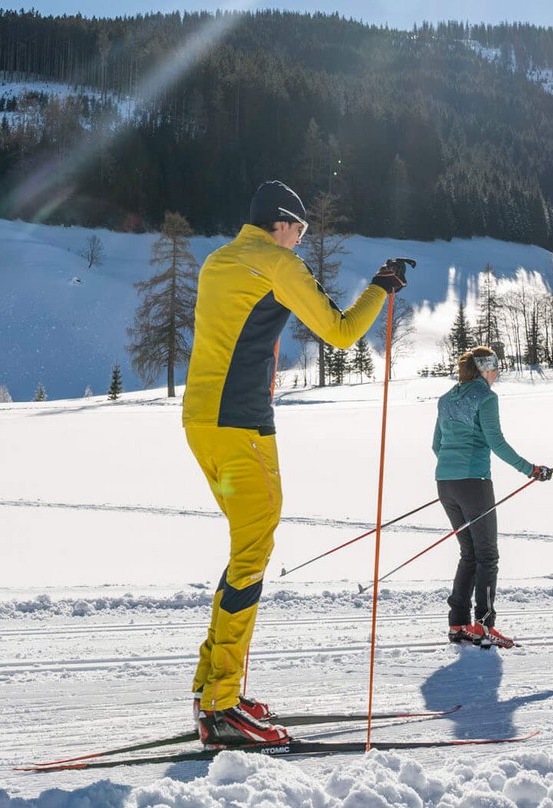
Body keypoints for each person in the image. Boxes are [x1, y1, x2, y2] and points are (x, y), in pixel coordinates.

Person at [180, 179, 413, 747]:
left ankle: (215, 688)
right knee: (254, 548)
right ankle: (221, 705)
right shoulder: (274, 264)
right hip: (241, 425)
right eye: (301, 231)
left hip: (204, 422)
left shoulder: (219, 260)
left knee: (246, 548)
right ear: (281, 223)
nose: (302, 242)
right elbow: (339, 331)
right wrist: (381, 288)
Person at [432, 344, 553, 648]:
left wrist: (453, 469)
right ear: (485, 369)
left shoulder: (446, 399)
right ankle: (484, 627)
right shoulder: (486, 398)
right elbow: (495, 441)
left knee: (469, 553)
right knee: (487, 555)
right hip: (474, 482)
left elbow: (437, 444)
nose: (497, 374)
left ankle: (458, 624)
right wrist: (530, 469)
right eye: (496, 368)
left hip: (445, 482)